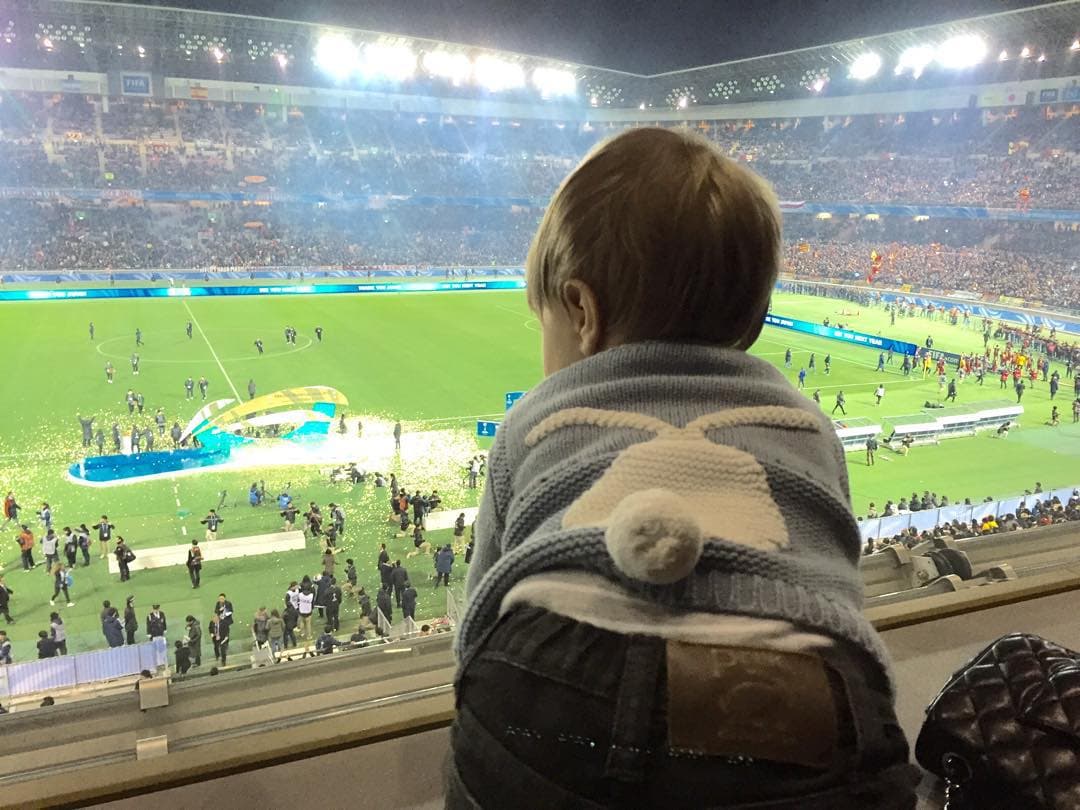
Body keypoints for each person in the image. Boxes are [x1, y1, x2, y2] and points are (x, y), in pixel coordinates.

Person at [449, 129, 916, 809]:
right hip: (802, 684)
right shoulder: (810, 424)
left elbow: (481, 611)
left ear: (581, 311)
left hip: (552, 665)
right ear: (755, 320)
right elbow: (834, 574)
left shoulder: (535, 418)